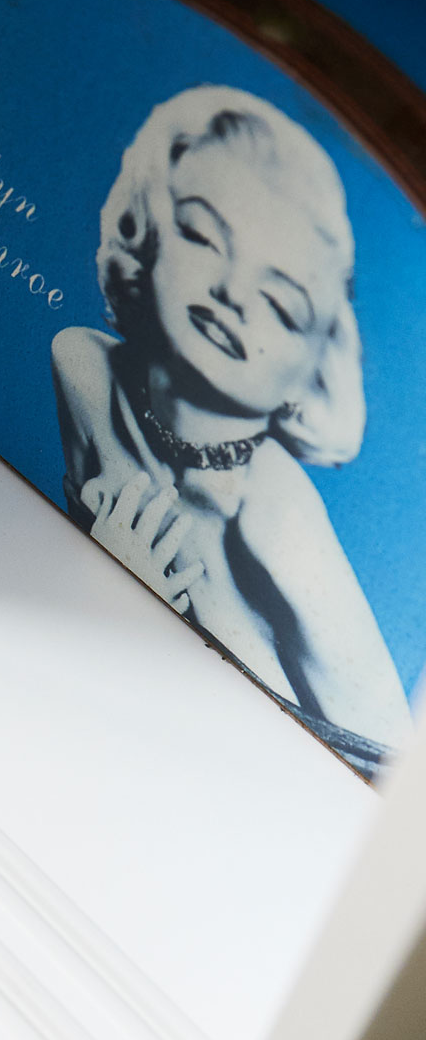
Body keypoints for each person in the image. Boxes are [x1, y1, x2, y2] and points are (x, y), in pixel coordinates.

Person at [51, 85, 411, 771]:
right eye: (203, 236)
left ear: (313, 371)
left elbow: (389, 775)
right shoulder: (84, 370)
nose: (232, 293)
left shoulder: (275, 514)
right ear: (147, 231)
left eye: (281, 303)